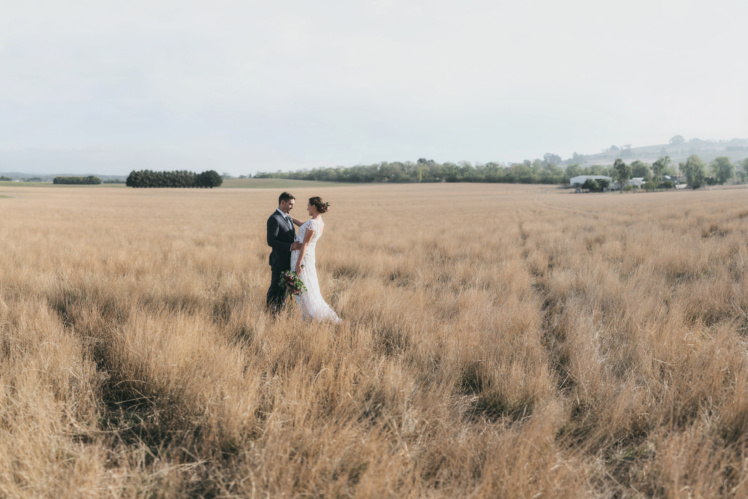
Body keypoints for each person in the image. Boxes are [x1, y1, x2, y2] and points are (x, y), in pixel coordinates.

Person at [289, 196, 341, 322]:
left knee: (305, 287)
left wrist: (298, 263)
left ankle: (310, 316)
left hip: (303, 259)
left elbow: (305, 244)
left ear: (314, 206)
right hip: (307, 257)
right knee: (307, 286)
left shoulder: (313, 223)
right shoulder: (317, 221)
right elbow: (302, 224)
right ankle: (308, 316)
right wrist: (288, 217)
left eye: (308, 205)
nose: (307, 207)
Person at [266, 192, 302, 313]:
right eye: (290, 204)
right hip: (279, 261)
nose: (292, 207)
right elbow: (271, 241)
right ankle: (270, 314)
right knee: (275, 288)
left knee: (284, 290)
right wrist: (290, 246)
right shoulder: (274, 218)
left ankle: (280, 313)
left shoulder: (287, 217)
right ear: (282, 202)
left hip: (288, 261)